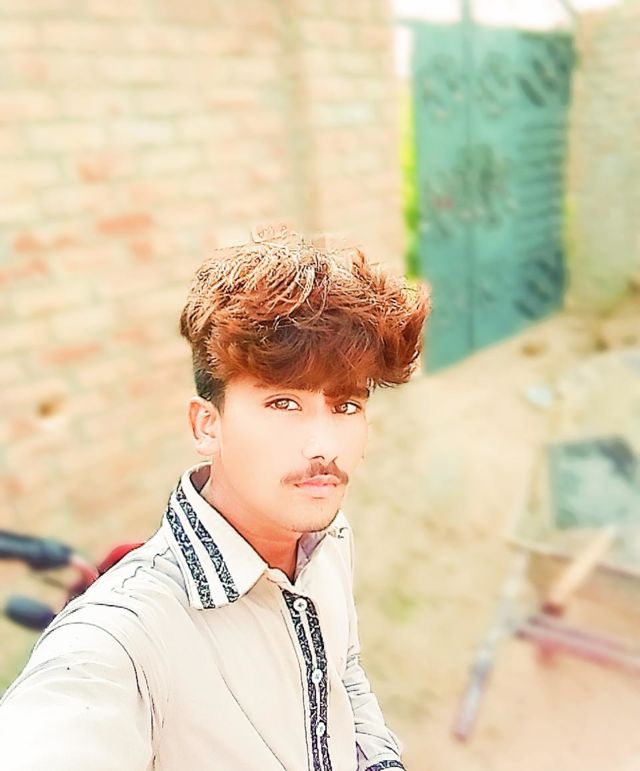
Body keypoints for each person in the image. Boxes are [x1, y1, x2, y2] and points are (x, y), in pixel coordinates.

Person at [0, 225, 430, 770]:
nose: (324, 446)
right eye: (283, 404)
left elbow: (343, 676)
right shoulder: (122, 638)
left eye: (346, 406)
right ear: (206, 425)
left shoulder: (324, 537)